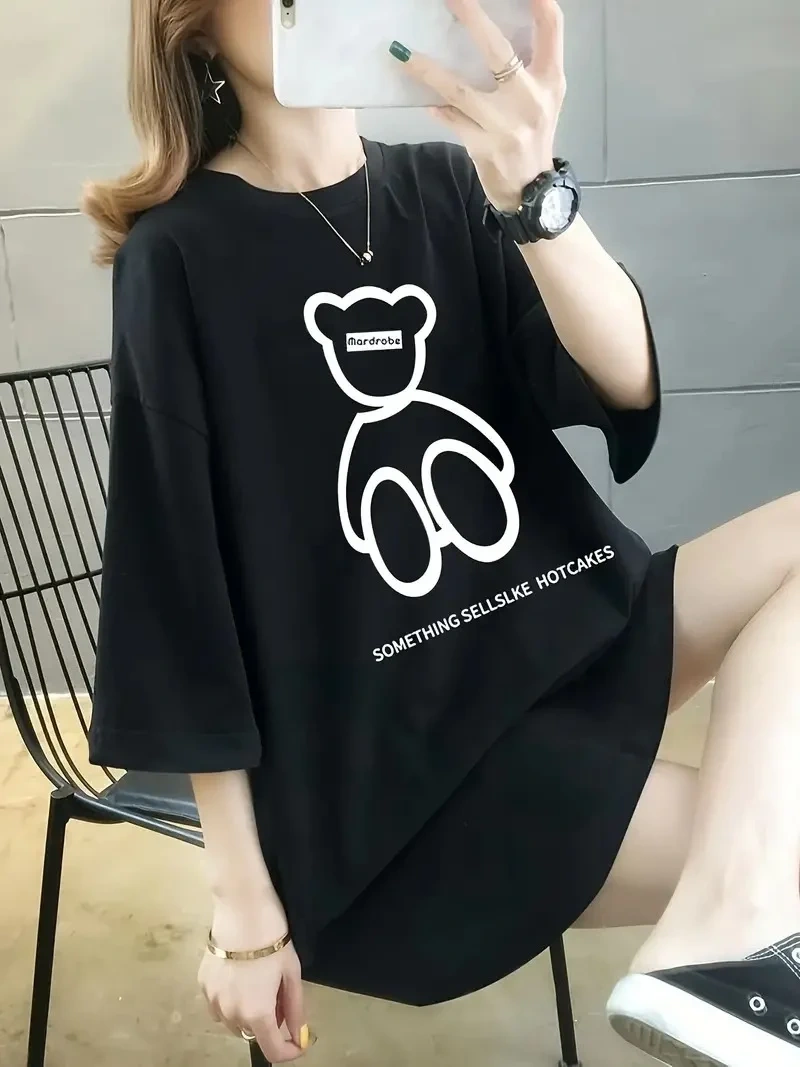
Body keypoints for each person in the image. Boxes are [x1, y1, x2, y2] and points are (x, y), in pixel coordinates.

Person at [84, 0, 800, 1064]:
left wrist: (532, 191)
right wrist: (243, 908)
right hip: (407, 785)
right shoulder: (179, 254)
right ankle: (731, 938)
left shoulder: (445, 184)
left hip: (565, 646)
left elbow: (621, 380)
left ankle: (721, 938)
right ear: (191, 27)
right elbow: (176, 594)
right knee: (779, 840)